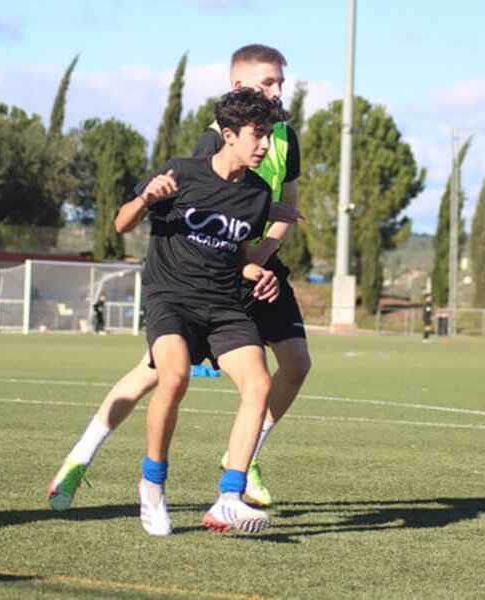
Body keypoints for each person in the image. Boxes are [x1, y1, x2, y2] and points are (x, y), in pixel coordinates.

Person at [48, 44, 309, 512]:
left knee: (294, 364)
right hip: (211, 275)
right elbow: (200, 223)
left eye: (280, 82)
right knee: (157, 374)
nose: (278, 90)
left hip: (254, 263)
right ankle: (81, 456)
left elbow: (284, 207)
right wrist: (246, 265)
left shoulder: (283, 135)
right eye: (268, 82)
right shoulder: (213, 146)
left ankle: (242, 459)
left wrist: (264, 258)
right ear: (240, 89)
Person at [115, 88, 286, 535]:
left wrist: (255, 272)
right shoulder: (180, 172)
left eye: (268, 135)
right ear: (229, 135)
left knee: (260, 382)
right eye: (257, 135)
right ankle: (152, 487)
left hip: (225, 303)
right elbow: (120, 224)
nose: (265, 145)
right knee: (173, 377)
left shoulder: (257, 193)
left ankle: (229, 497)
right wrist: (146, 199)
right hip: (170, 298)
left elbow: (236, 253)